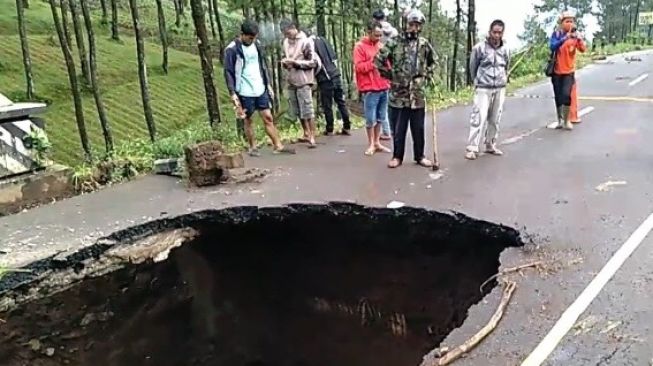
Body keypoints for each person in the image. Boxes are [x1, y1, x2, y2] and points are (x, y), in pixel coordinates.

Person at [223, 20, 296, 156]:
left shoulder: (257, 45)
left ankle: (278, 145)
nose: (252, 40)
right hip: (244, 89)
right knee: (248, 119)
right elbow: (228, 72)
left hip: (259, 87)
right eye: (250, 38)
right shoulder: (232, 49)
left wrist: (267, 84)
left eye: (254, 37)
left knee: (268, 117)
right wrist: (232, 93)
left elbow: (262, 66)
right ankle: (252, 146)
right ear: (242, 35)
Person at [375, 9, 436, 168]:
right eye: (411, 24)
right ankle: (397, 157)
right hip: (399, 94)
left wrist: (426, 76)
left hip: (417, 94)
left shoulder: (423, 44)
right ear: (405, 24)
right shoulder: (394, 42)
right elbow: (378, 60)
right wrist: (391, 76)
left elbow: (433, 61)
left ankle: (420, 156)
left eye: (417, 25)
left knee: (418, 128)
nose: (414, 28)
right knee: (398, 129)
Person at [464, 19, 511, 160]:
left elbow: (507, 65)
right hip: (483, 87)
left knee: (495, 117)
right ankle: (472, 147)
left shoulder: (506, 49)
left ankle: (490, 143)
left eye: (499, 32)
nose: (496, 35)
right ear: (490, 32)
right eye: (494, 32)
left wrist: (503, 79)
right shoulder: (479, 48)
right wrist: (476, 81)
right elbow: (473, 66)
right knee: (479, 117)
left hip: (500, 87)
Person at [353, 20, 392, 156]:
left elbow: (387, 65)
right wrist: (373, 63)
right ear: (369, 32)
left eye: (380, 35)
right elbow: (358, 67)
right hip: (370, 88)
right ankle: (370, 143)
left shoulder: (381, 46)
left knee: (381, 117)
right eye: (376, 35)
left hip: (383, 86)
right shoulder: (359, 47)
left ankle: (377, 142)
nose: (378, 38)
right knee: (370, 118)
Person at [280, 19, 320, 148]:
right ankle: (306, 133)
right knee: (298, 110)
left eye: (288, 32)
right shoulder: (285, 42)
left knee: (307, 109)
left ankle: (313, 135)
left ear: (293, 28)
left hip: (304, 80)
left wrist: (297, 63)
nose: (287, 35)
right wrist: (285, 63)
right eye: (284, 33)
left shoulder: (306, 41)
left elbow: (313, 62)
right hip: (291, 79)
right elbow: (285, 56)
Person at [309, 31, 352, 136]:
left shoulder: (310, 44)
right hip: (335, 74)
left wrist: (315, 76)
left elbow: (316, 63)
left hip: (325, 78)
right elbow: (334, 57)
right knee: (340, 101)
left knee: (327, 104)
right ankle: (347, 126)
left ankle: (330, 128)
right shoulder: (324, 40)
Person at [548, 11, 586, 130]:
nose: (569, 23)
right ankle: (560, 120)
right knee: (558, 97)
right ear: (561, 23)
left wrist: (579, 39)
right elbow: (552, 46)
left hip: (569, 72)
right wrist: (565, 38)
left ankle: (567, 120)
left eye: (571, 21)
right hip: (557, 71)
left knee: (566, 95)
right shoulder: (557, 34)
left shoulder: (575, 37)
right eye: (567, 21)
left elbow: (583, 49)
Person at [371, 9, 396, 140]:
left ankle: (387, 131)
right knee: (388, 103)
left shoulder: (376, 33)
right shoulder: (394, 32)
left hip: (382, 69)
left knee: (381, 104)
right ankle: (389, 129)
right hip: (393, 68)